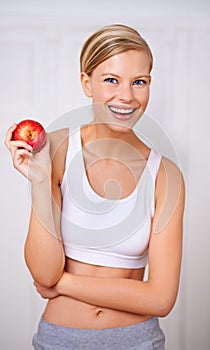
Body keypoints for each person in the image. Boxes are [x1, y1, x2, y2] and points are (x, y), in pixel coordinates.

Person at [5, 24, 185, 350]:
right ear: (86, 83)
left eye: (139, 82)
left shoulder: (165, 175)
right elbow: (43, 272)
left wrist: (64, 283)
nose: (127, 96)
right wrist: (42, 182)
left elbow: (161, 299)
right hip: (60, 340)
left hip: (138, 341)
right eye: (111, 80)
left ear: (149, 85)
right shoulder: (54, 151)